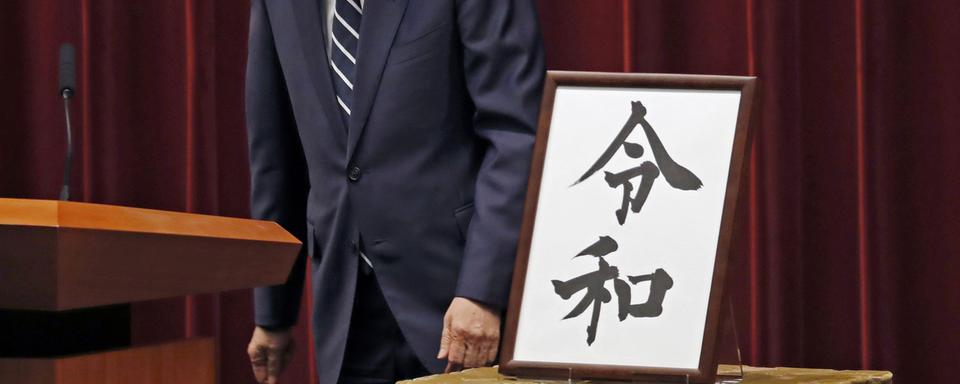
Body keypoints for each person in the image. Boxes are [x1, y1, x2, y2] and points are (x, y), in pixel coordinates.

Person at [243, 0, 545, 383]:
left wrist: (483, 291)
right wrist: (274, 312)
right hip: (346, 309)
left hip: (458, 300)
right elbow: (276, 154)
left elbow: (517, 134)